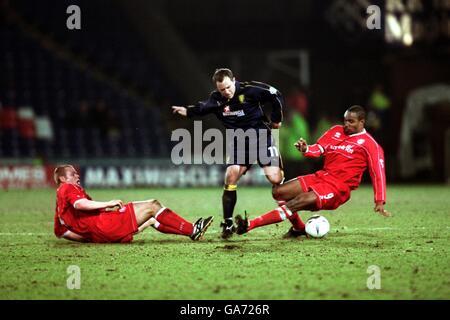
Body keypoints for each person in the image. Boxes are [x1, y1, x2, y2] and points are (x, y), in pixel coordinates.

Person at [234, 105, 391, 238]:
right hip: (321, 176)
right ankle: (298, 228)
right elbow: (319, 148)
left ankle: (250, 225)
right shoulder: (336, 131)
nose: (346, 125)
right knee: (278, 192)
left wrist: (379, 200)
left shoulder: (371, 145)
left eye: (351, 121)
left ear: (362, 122)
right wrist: (306, 148)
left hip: (338, 188)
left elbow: (378, 173)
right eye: (345, 121)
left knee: (298, 201)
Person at [172, 68, 285, 239]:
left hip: (262, 139)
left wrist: (276, 119)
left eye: (228, 87)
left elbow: (276, 94)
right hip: (239, 143)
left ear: (234, 80)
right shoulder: (217, 99)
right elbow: (203, 108)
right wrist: (187, 111)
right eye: (221, 90)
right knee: (231, 174)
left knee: (275, 179)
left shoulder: (250, 90)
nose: (226, 92)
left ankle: (295, 218)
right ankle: (228, 222)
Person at [53, 164, 213, 243]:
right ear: (63, 179)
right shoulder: (68, 187)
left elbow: (61, 232)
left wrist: (92, 237)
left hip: (102, 233)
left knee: (152, 218)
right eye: (72, 173)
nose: (77, 175)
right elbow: (80, 204)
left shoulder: (59, 205)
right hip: (106, 225)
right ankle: (193, 229)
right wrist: (107, 203)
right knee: (153, 205)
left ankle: (191, 231)